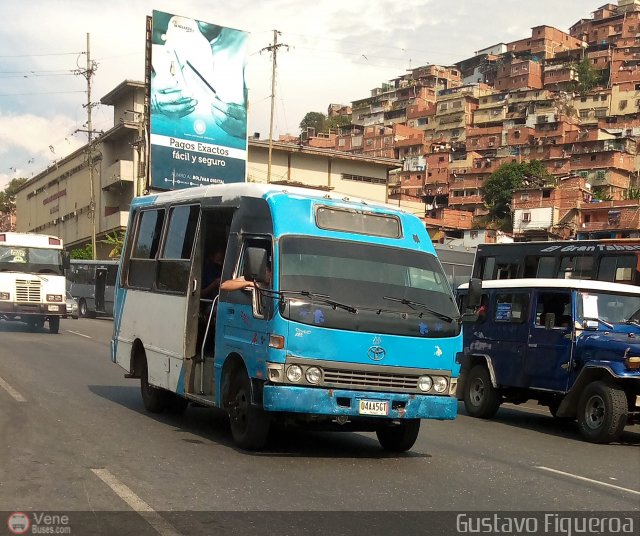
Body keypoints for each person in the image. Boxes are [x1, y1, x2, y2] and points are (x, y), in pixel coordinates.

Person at [150, 14, 248, 139]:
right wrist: (152, 95)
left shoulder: (244, 40)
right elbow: (155, 70)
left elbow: (254, 111)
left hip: (226, 150)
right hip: (171, 142)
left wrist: (245, 126)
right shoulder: (174, 22)